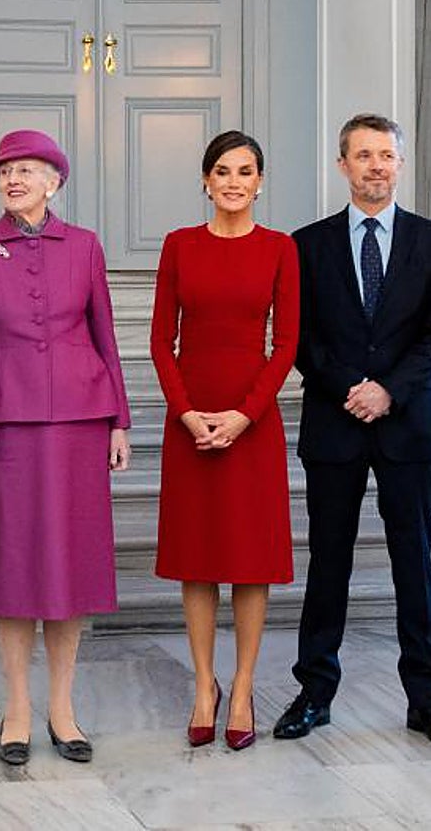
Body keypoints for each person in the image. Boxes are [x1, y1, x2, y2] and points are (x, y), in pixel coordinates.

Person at [273, 113, 431, 749]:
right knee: (328, 562)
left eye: (385, 154)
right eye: (363, 155)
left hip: (409, 427)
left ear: (400, 163)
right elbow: (298, 337)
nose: (376, 165)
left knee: (415, 563)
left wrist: (388, 390)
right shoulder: (307, 245)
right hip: (336, 425)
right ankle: (314, 693)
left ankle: (429, 702)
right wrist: (350, 389)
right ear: (343, 165)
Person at [0, 129, 131, 766]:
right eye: (4, 171)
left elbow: (105, 335)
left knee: (71, 567)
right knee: (17, 567)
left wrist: (119, 420)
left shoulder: (85, 246)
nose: (12, 180)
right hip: (11, 426)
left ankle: (62, 707)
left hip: (82, 421)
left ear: (54, 181)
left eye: (25, 170)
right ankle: (18, 709)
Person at [150, 130, 300, 751]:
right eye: (222, 171)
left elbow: (285, 344)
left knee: (249, 559)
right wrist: (186, 413)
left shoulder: (280, 249)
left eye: (245, 171)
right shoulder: (179, 245)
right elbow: (161, 340)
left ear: (260, 182)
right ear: (205, 181)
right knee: (198, 557)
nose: (233, 182)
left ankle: (242, 688)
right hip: (190, 419)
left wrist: (244, 416)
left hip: (251, 422)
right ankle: (204, 686)